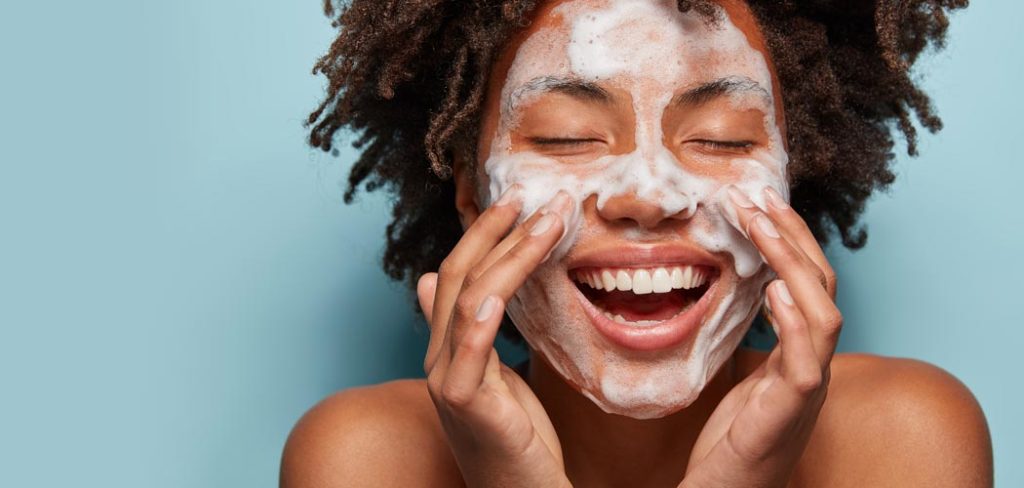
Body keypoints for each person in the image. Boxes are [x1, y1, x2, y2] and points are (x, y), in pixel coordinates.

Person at [281, 0, 993, 486]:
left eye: (722, 137)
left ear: (787, 179)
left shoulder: (904, 440)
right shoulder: (365, 459)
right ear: (472, 192)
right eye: (568, 136)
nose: (649, 195)